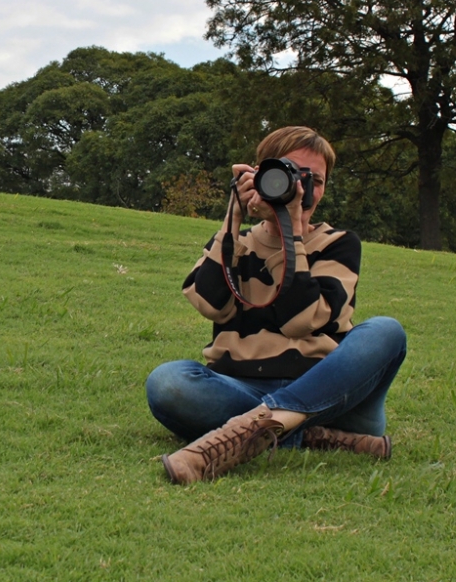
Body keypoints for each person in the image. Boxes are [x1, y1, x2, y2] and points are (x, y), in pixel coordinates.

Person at [145, 126, 406, 484]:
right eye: (292, 174)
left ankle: (246, 434)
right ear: (260, 174)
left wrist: (291, 231)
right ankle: (310, 436)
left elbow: (302, 320)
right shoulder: (236, 241)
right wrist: (233, 215)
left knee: (386, 331)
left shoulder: (339, 243)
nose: (304, 188)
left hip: (331, 394)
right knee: (167, 381)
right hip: (242, 389)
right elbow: (208, 303)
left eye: (315, 180)